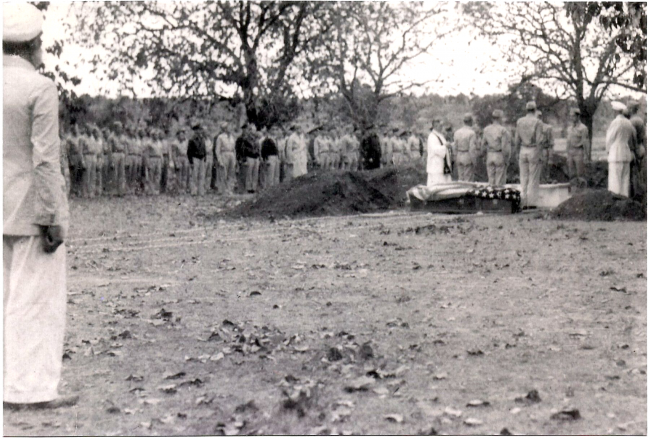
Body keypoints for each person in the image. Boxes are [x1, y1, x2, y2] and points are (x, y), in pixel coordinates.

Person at [3, 3, 77, 410]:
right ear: (33, 45)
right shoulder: (39, 88)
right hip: (30, 207)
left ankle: (6, 383)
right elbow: (45, 159)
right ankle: (30, 389)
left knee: (4, 297)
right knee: (35, 301)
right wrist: (53, 215)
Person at [514, 101, 544, 208]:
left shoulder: (520, 121)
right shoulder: (538, 122)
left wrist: (517, 152)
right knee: (533, 177)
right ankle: (531, 203)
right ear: (535, 110)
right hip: (533, 149)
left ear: (526, 110)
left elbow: (516, 139)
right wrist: (540, 154)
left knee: (523, 177)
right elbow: (539, 140)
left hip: (523, 149)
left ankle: (524, 201)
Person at [606, 101, 636, 197]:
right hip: (626, 154)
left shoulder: (615, 122)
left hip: (616, 154)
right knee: (624, 183)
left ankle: (615, 206)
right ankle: (624, 205)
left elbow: (609, 139)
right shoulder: (628, 123)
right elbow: (631, 139)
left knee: (615, 184)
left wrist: (608, 151)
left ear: (615, 112)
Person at [482, 109, 511, 186]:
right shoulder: (503, 130)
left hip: (490, 154)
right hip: (499, 154)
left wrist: (484, 156)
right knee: (499, 182)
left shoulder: (486, 129)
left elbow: (483, 145)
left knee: (491, 181)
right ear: (500, 118)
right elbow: (504, 147)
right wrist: (506, 159)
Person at [627, 101, 646, 201]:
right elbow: (643, 137)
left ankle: (635, 194)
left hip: (635, 148)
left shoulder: (631, 121)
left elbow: (632, 138)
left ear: (631, 109)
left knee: (633, 171)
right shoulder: (640, 120)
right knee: (639, 171)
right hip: (641, 147)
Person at [452, 113, 478, 182]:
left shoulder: (457, 132)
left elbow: (455, 146)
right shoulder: (471, 133)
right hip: (467, 155)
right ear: (470, 122)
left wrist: (455, 157)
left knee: (460, 178)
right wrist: (474, 161)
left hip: (459, 155)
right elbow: (472, 149)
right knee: (468, 178)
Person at [426, 119, 453, 186]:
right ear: (435, 126)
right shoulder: (432, 137)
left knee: (445, 183)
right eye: (440, 125)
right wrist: (445, 146)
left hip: (442, 164)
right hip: (436, 165)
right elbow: (435, 149)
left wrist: (447, 146)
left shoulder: (440, 136)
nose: (441, 127)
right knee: (436, 184)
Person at [565, 108, 589, 181]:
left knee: (580, 173)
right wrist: (567, 153)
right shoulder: (569, 128)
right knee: (571, 174)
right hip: (570, 152)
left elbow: (585, 142)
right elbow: (568, 141)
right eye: (570, 116)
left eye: (573, 116)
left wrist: (586, 155)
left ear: (578, 117)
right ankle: (573, 190)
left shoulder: (583, 128)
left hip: (579, 152)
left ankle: (581, 190)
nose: (571, 118)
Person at [188, 123, 207, 196]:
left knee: (201, 175)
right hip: (195, 158)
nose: (200, 131)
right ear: (195, 131)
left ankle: (201, 191)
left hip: (201, 158)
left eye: (200, 130)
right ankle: (194, 190)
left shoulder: (202, 139)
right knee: (194, 175)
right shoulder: (192, 140)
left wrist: (205, 157)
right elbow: (189, 152)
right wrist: (191, 162)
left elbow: (204, 149)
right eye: (198, 130)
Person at [536, 110, 554, 184]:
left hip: (543, 150)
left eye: (538, 117)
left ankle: (545, 181)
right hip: (533, 150)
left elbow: (551, 143)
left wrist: (550, 157)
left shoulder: (547, 128)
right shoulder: (531, 128)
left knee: (544, 170)